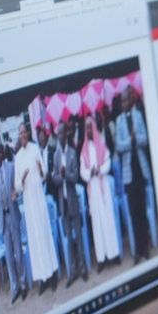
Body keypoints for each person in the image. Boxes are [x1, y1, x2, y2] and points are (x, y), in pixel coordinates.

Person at [12, 119, 59, 294]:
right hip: (29, 202)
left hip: (38, 198)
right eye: (20, 133)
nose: (22, 135)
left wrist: (40, 169)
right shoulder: (17, 157)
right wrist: (22, 178)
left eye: (24, 132)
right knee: (34, 239)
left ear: (28, 133)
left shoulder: (35, 149)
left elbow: (44, 173)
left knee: (45, 234)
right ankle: (42, 279)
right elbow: (16, 186)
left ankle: (53, 274)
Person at [113, 86, 154, 261]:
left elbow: (146, 139)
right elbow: (119, 146)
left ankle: (146, 249)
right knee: (133, 213)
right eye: (121, 101)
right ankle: (137, 251)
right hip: (128, 174)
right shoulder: (119, 121)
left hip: (141, 170)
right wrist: (130, 141)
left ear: (131, 101)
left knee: (142, 211)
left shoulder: (138, 116)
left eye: (125, 100)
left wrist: (136, 139)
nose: (123, 103)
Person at [80, 109, 121, 271]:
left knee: (109, 221)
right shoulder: (83, 150)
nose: (89, 130)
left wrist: (100, 170)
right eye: (87, 128)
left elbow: (108, 162)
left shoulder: (102, 144)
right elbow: (82, 171)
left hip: (103, 187)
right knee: (97, 224)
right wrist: (90, 172)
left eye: (91, 127)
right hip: (93, 190)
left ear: (94, 128)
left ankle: (114, 254)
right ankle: (102, 258)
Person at [0, 142, 25, 303]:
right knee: (9, 256)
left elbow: (18, 189)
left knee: (18, 252)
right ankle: (15, 288)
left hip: (14, 216)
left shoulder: (12, 167)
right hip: (3, 218)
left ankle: (23, 284)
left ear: (3, 152)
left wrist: (15, 194)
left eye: (0, 152)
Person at [52, 118, 89, 286]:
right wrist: (60, 175)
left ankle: (83, 269)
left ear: (66, 134)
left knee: (79, 236)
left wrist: (65, 174)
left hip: (73, 200)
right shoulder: (55, 155)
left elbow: (76, 177)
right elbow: (54, 180)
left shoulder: (73, 153)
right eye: (57, 133)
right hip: (63, 203)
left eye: (62, 132)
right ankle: (72, 272)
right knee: (67, 238)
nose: (60, 135)